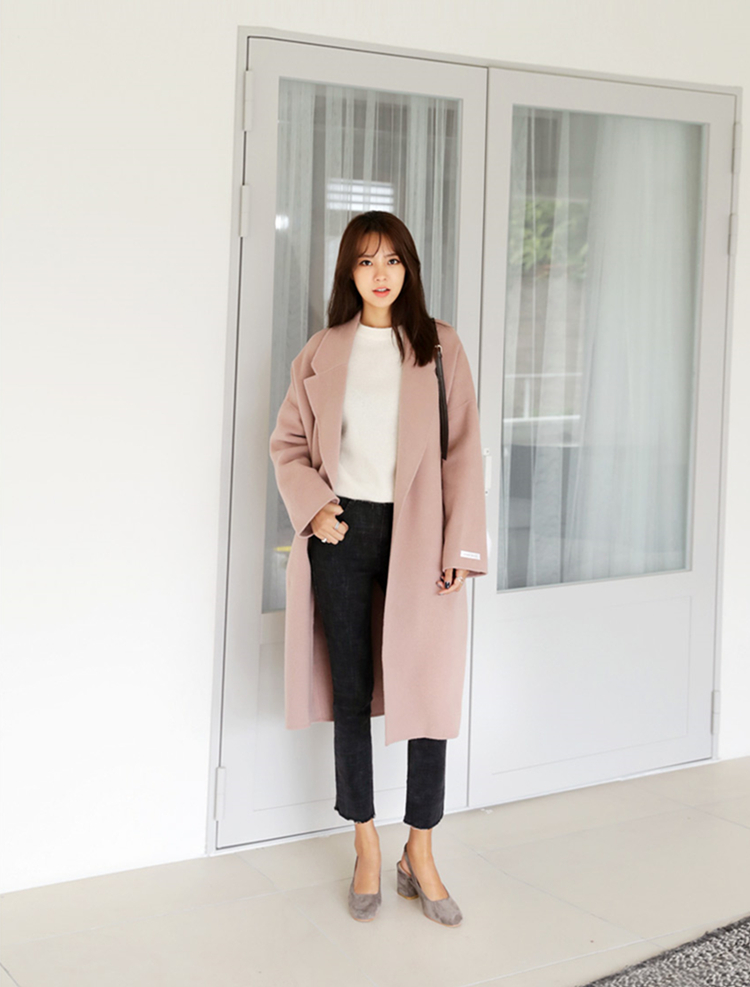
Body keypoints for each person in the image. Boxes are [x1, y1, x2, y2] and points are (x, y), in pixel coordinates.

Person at [269, 210, 487, 926]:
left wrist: (460, 545)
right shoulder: (323, 349)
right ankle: (365, 840)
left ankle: (419, 848)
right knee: (351, 690)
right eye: (366, 261)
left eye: (392, 259)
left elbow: (463, 450)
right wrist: (314, 508)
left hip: (420, 534)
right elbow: (288, 443)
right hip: (344, 532)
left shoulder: (439, 346)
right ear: (349, 273)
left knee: (428, 687)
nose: (381, 273)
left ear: (409, 268)